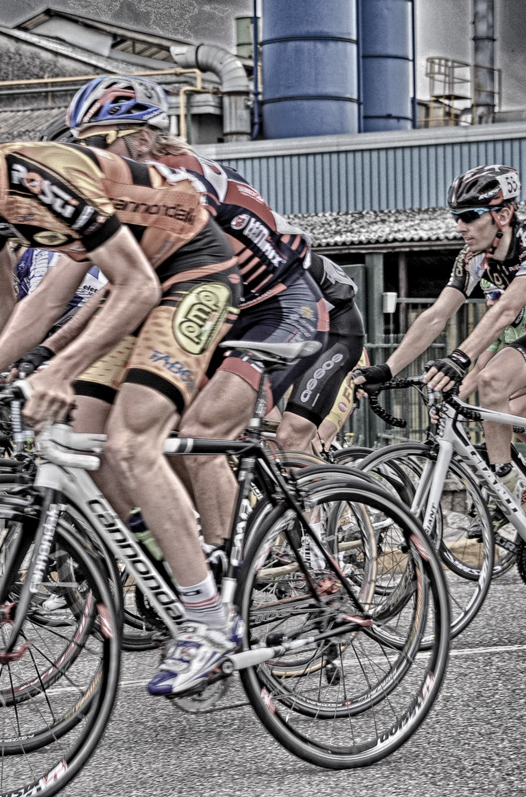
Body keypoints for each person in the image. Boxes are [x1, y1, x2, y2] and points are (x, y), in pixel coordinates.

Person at [0, 62, 243, 695]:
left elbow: (137, 285)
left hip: (191, 273)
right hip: (135, 289)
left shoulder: (39, 176)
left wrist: (60, 368)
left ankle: (211, 622)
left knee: (132, 441)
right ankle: (151, 563)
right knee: (86, 441)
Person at [62, 75, 331, 558]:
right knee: (138, 431)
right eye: (82, 147)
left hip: (275, 308)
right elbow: (91, 288)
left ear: (141, 139)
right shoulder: (122, 188)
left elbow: (139, 286)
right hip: (215, 314)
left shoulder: (180, 179)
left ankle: (228, 578)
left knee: (203, 434)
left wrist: (59, 355)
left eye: (99, 143)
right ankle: (180, 551)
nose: (90, 158)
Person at [354, 164, 526, 589]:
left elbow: (507, 311)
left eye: (469, 215)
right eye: (456, 216)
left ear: (502, 215)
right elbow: (436, 316)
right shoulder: (472, 258)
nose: (460, 226)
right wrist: (387, 367)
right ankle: (508, 482)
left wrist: (460, 358)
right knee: (492, 383)